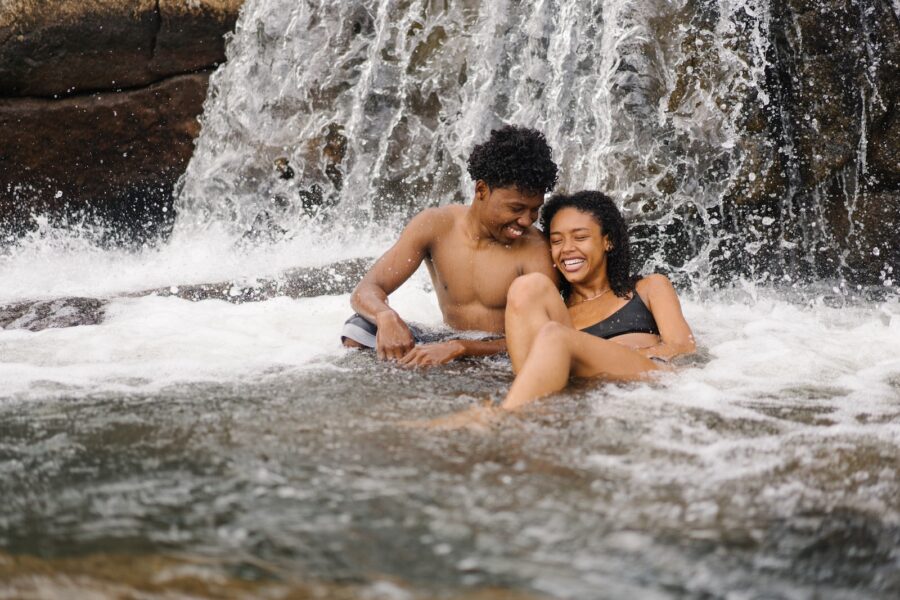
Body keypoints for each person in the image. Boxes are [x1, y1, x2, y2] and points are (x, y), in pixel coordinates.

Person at [341, 125, 559, 367]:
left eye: (534, 210)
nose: (527, 220)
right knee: (357, 328)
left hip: (500, 351)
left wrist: (461, 348)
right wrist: (385, 316)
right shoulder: (436, 226)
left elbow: (543, 336)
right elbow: (367, 289)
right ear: (481, 189)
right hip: (448, 338)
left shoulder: (536, 250)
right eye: (516, 209)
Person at [500, 190, 696, 408]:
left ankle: (504, 416)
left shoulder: (649, 287)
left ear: (608, 242)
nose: (566, 249)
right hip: (586, 391)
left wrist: (615, 352)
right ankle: (530, 408)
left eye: (581, 237)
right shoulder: (558, 311)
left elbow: (683, 348)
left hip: (650, 376)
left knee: (555, 335)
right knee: (526, 286)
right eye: (557, 241)